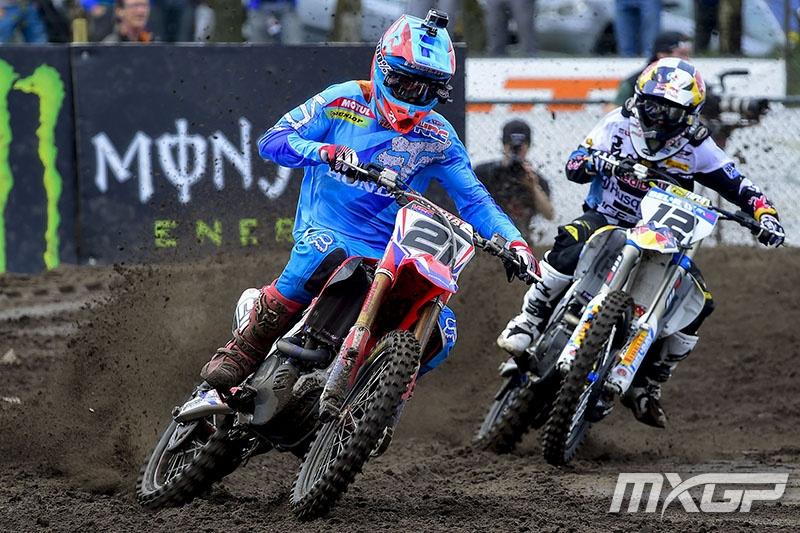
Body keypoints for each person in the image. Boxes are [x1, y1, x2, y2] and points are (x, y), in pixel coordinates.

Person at [200, 11, 539, 399]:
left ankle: (376, 403)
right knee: (322, 254)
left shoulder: (439, 138)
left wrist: (516, 243)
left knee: (443, 331)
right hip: (327, 229)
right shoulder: (343, 99)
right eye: (404, 82)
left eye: (425, 90)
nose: (412, 96)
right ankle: (244, 349)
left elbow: (475, 199)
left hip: (392, 250)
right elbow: (272, 141)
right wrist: (325, 152)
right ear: (382, 66)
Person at [497, 58, 784, 428]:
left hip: (662, 237)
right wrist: (601, 163)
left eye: (671, 111)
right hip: (607, 219)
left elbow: (740, 186)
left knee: (699, 302)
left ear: (688, 115)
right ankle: (528, 320)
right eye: (653, 106)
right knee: (571, 239)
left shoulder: (697, 146)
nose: (659, 118)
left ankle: (648, 382)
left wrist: (765, 215)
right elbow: (574, 165)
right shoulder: (618, 124)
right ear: (638, 99)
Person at [474, 119, 554, 237]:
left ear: (528, 146)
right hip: (487, 236)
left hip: (520, 239)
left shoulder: (534, 179)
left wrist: (533, 187)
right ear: (504, 145)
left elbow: (549, 215)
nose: (516, 152)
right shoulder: (486, 172)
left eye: (520, 148)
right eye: (512, 147)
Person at [613, 31, 692, 107]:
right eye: (682, 54)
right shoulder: (633, 83)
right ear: (663, 55)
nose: (687, 60)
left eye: (688, 55)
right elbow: (614, 110)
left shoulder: (692, 81)